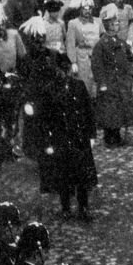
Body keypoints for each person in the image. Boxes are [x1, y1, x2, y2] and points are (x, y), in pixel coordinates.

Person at [34, 53, 97, 221]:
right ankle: (66, 207)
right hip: (60, 137)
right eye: (60, 70)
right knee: (63, 175)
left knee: (82, 176)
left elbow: (88, 111)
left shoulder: (79, 86)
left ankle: (83, 207)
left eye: (65, 70)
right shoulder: (49, 90)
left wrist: (91, 134)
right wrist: (48, 140)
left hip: (79, 137)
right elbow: (44, 118)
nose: (63, 73)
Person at [91, 3, 133, 148]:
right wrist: (102, 83)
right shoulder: (101, 45)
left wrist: (130, 73)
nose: (117, 25)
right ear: (108, 25)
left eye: (117, 23)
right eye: (114, 23)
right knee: (109, 111)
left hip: (120, 82)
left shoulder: (121, 43)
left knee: (119, 109)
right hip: (109, 82)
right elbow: (97, 66)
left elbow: (128, 60)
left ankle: (116, 133)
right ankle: (109, 136)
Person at [65, 0, 103, 99]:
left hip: (96, 57)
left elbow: (103, 39)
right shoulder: (73, 23)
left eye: (89, 8)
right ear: (80, 9)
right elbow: (70, 44)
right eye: (84, 8)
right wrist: (73, 62)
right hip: (82, 59)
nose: (87, 11)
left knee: (99, 86)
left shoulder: (98, 22)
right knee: (85, 87)